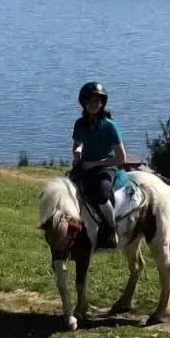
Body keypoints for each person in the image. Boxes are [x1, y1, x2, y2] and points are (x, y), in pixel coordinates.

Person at [70, 81, 131, 249]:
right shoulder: (80, 124)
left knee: (102, 193)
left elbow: (121, 158)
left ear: (102, 103)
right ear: (84, 103)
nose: (93, 104)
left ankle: (111, 228)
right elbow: (77, 144)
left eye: (97, 101)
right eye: (90, 101)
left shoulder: (110, 127)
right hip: (85, 164)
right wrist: (77, 154)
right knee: (67, 188)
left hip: (107, 167)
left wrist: (94, 163)